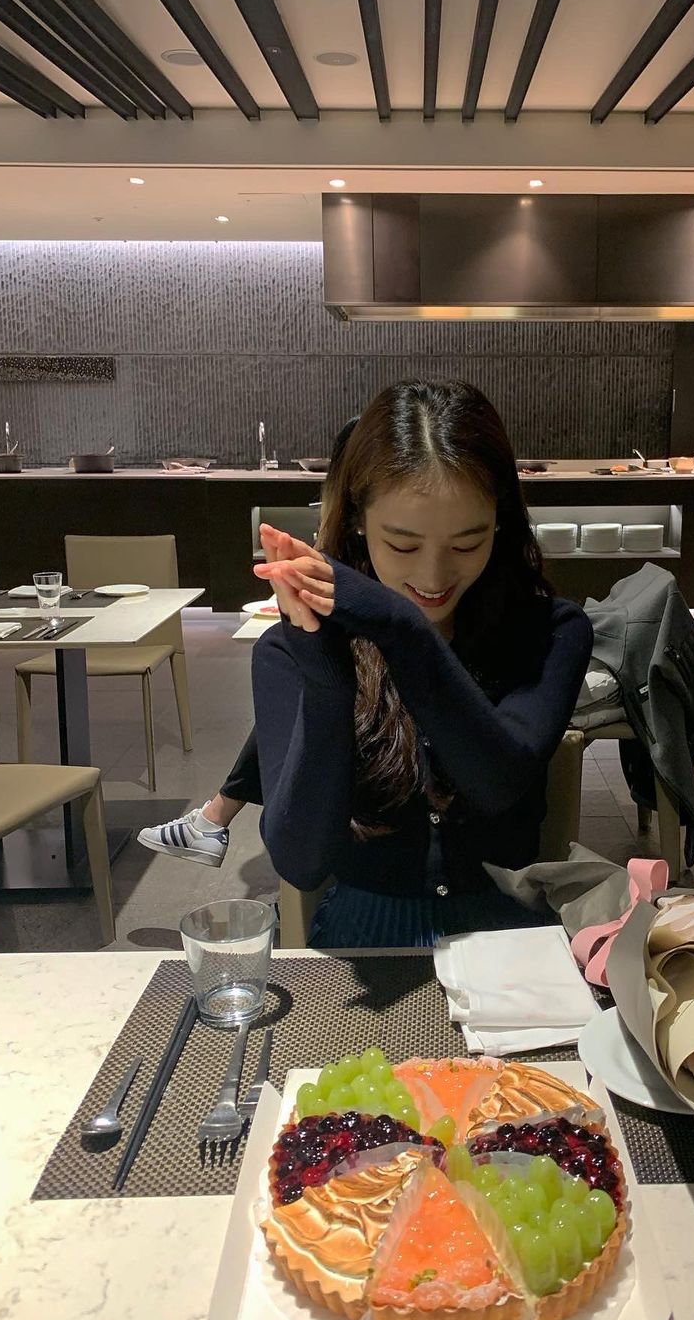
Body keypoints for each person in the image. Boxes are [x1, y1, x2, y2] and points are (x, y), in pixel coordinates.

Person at [249, 378, 594, 947]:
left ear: (501, 519)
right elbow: (301, 861)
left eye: (467, 543)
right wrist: (328, 683)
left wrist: (402, 628)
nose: (434, 577)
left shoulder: (551, 632)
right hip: (365, 935)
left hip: (508, 938)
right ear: (358, 517)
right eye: (403, 545)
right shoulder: (286, 654)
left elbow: (497, 782)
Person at [136, 418, 359, 867]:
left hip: (361, 677)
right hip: (344, 664)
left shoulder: (365, 530)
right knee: (291, 674)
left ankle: (213, 820)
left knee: (295, 677)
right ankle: (214, 819)